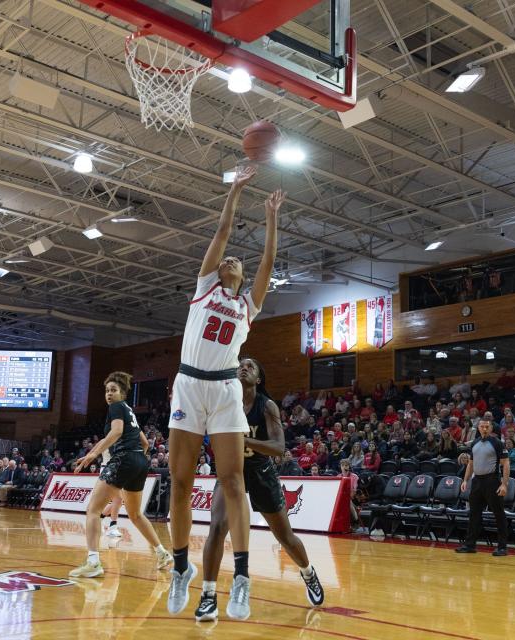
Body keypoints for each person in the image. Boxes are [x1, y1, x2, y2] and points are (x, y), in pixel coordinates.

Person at [164, 167, 282, 618]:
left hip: (225, 390)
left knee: (233, 482)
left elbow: (268, 262)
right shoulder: (203, 289)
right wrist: (234, 192)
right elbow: (222, 230)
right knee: (179, 481)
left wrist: (270, 218)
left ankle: (243, 578)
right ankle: (180, 568)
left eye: (237, 261)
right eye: (226, 260)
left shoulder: (246, 306)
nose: (230, 260)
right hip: (190, 385)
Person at [196, 358, 324, 621]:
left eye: (251, 366)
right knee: (217, 528)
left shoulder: (267, 406)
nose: (244, 367)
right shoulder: (225, 403)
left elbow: (278, 448)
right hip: (231, 471)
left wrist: (244, 439)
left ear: (259, 380)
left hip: (261, 472)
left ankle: (308, 572)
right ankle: (208, 594)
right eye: (241, 364)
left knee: (285, 537)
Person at [70, 371, 172, 578]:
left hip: (124, 460)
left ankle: (93, 562)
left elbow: (115, 432)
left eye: (114, 390)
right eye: (107, 390)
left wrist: (96, 453)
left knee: (93, 510)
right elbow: (144, 443)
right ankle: (162, 553)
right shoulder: (129, 411)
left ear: (123, 393)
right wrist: (93, 454)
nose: (109, 394)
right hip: (140, 462)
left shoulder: (116, 408)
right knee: (135, 514)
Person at [456, 420, 509, 557]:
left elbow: (506, 463)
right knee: (474, 514)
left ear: (491, 428)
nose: (484, 428)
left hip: (492, 481)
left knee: (499, 514)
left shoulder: (497, 443)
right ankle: (470, 545)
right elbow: (471, 464)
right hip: (477, 481)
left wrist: (504, 484)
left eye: (487, 426)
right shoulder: (475, 443)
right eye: (482, 426)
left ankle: (502, 547)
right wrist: (465, 480)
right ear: (478, 428)